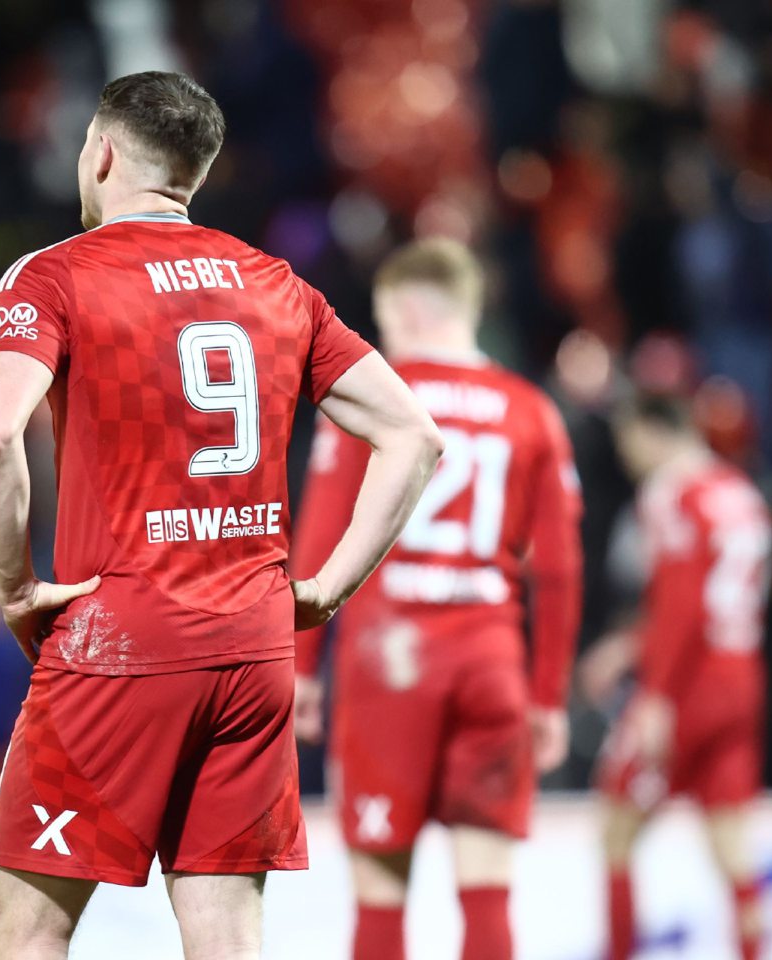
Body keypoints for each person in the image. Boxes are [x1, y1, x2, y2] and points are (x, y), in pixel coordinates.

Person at [0, 71, 443, 960]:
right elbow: (413, 436)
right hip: (255, 647)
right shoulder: (276, 284)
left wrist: (16, 584)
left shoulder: (57, 275)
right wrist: (329, 587)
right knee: (225, 930)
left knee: (24, 927)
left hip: (120, 637)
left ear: (101, 152)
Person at [290, 238, 584, 960]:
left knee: (380, 898)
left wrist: (299, 667)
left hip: (391, 660)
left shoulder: (371, 399)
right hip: (491, 659)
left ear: (409, 311)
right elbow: (561, 569)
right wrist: (546, 694)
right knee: (487, 892)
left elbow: (321, 539)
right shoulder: (532, 410)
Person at [593, 394, 772, 960]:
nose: (627, 457)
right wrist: (629, 646)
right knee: (732, 845)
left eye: (629, 442)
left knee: (615, 830)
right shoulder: (741, 492)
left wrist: (656, 696)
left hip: (689, 683)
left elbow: (682, 603)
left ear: (653, 430)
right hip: (741, 672)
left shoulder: (672, 493)